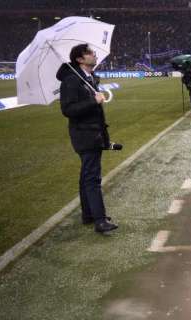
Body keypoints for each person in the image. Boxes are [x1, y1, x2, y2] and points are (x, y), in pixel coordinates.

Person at [56, 44, 118, 233]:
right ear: (80, 59)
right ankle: (99, 220)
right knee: (92, 177)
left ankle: (89, 215)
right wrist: (93, 100)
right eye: (90, 53)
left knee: (87, 176)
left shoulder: (88, 78)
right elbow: (67, 110)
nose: (94, 54)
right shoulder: (71, 80)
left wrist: (105, 140)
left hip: (93, 133)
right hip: (84, 134)